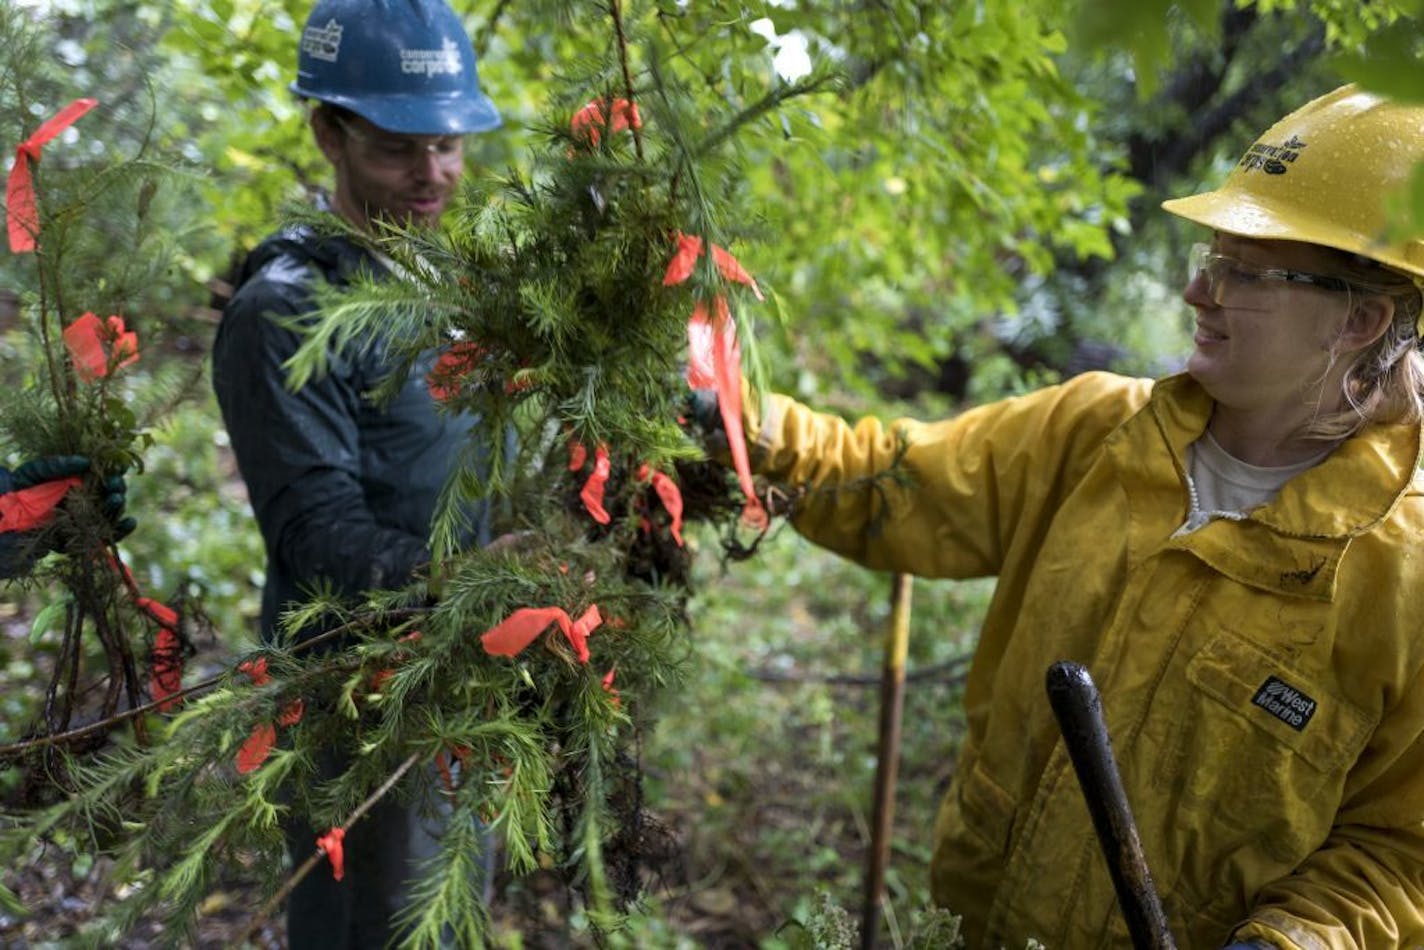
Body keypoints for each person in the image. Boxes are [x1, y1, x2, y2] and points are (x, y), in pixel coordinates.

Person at [739, 85, 1424, 948]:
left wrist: (1293, 942)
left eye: (1245, 271)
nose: (1195, 289)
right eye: (1210, 254)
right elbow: (887, 483)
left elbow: (1400, 853)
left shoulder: (1402, 578)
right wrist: (745, 421)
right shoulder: (1097, 434)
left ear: (1360, 318)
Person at [210, 0, 503, 946]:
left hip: (466, 669)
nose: (434, 174)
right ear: (328, 132)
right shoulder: (286, 310)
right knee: (374, 919)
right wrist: (474, 591)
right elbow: (315, 531)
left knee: (453, 913)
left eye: (450, 143)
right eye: (397, 147)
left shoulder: (442, 281)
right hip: (360, 699)